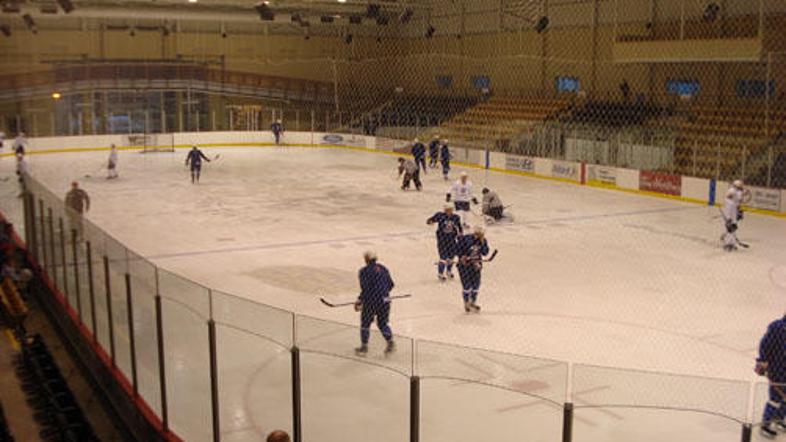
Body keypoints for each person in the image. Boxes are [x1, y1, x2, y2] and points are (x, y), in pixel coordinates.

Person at [354, 251, 395, 355]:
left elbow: (366, 289)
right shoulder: (383, 268)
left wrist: (360, 300)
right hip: (385, 300)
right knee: (383, 323)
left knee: (365, 323)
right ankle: (390, 341)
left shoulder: (364, 271)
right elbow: (391, 284)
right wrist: (383, 294)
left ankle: (364, 347)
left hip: (371, 301)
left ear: (366, 260)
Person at [756, 314, 786, 438]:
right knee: (775, 399)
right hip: (777, 369)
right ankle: (766, 424)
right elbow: (765, 344)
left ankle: (779, 419)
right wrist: (762, 361)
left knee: (784, 398)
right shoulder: (777, 327)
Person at [456, 226, 490, 313]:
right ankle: (466, 302)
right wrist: (462, 257)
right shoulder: (466, 239)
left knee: (476, 286)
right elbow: (457, 250)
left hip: (476, 265)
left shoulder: (483, 240)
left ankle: (473, 302)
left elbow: (485, 253)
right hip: (464, 266)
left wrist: (483, 244)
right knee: (467, 286)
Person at [427, 204, 462, 281]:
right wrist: (430, 221)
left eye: (450, 209)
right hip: (442, 240)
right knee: (443, 257)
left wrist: (460, 237)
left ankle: (449, 271)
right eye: (447, 209)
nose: (449, 211)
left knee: (451, 256)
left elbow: (459, 228)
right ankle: (440, 273)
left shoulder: (456, 217)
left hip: (452, 240)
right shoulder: (440, 215)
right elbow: (430, 220)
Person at [721, 180, 747, 251]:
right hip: (729, 212)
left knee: (734, 227)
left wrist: (739, 211)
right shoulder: (732, 192)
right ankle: (727, 243)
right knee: (730, 227)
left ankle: (732, 243)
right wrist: (728, 217)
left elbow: (738, 202)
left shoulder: (738, 193)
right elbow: (729, 205)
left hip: (733, 212)